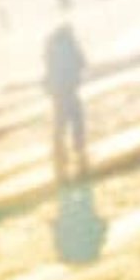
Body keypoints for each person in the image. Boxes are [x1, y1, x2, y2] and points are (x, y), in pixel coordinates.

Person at [42, 21, 90, 182]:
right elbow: (82, 62)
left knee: (59, 125)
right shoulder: (70, 45)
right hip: (69, 90)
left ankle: (60, 156)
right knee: (77, 121)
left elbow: (48, 69)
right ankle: (79, 150)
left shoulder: (51, 47)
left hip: (58, 93)